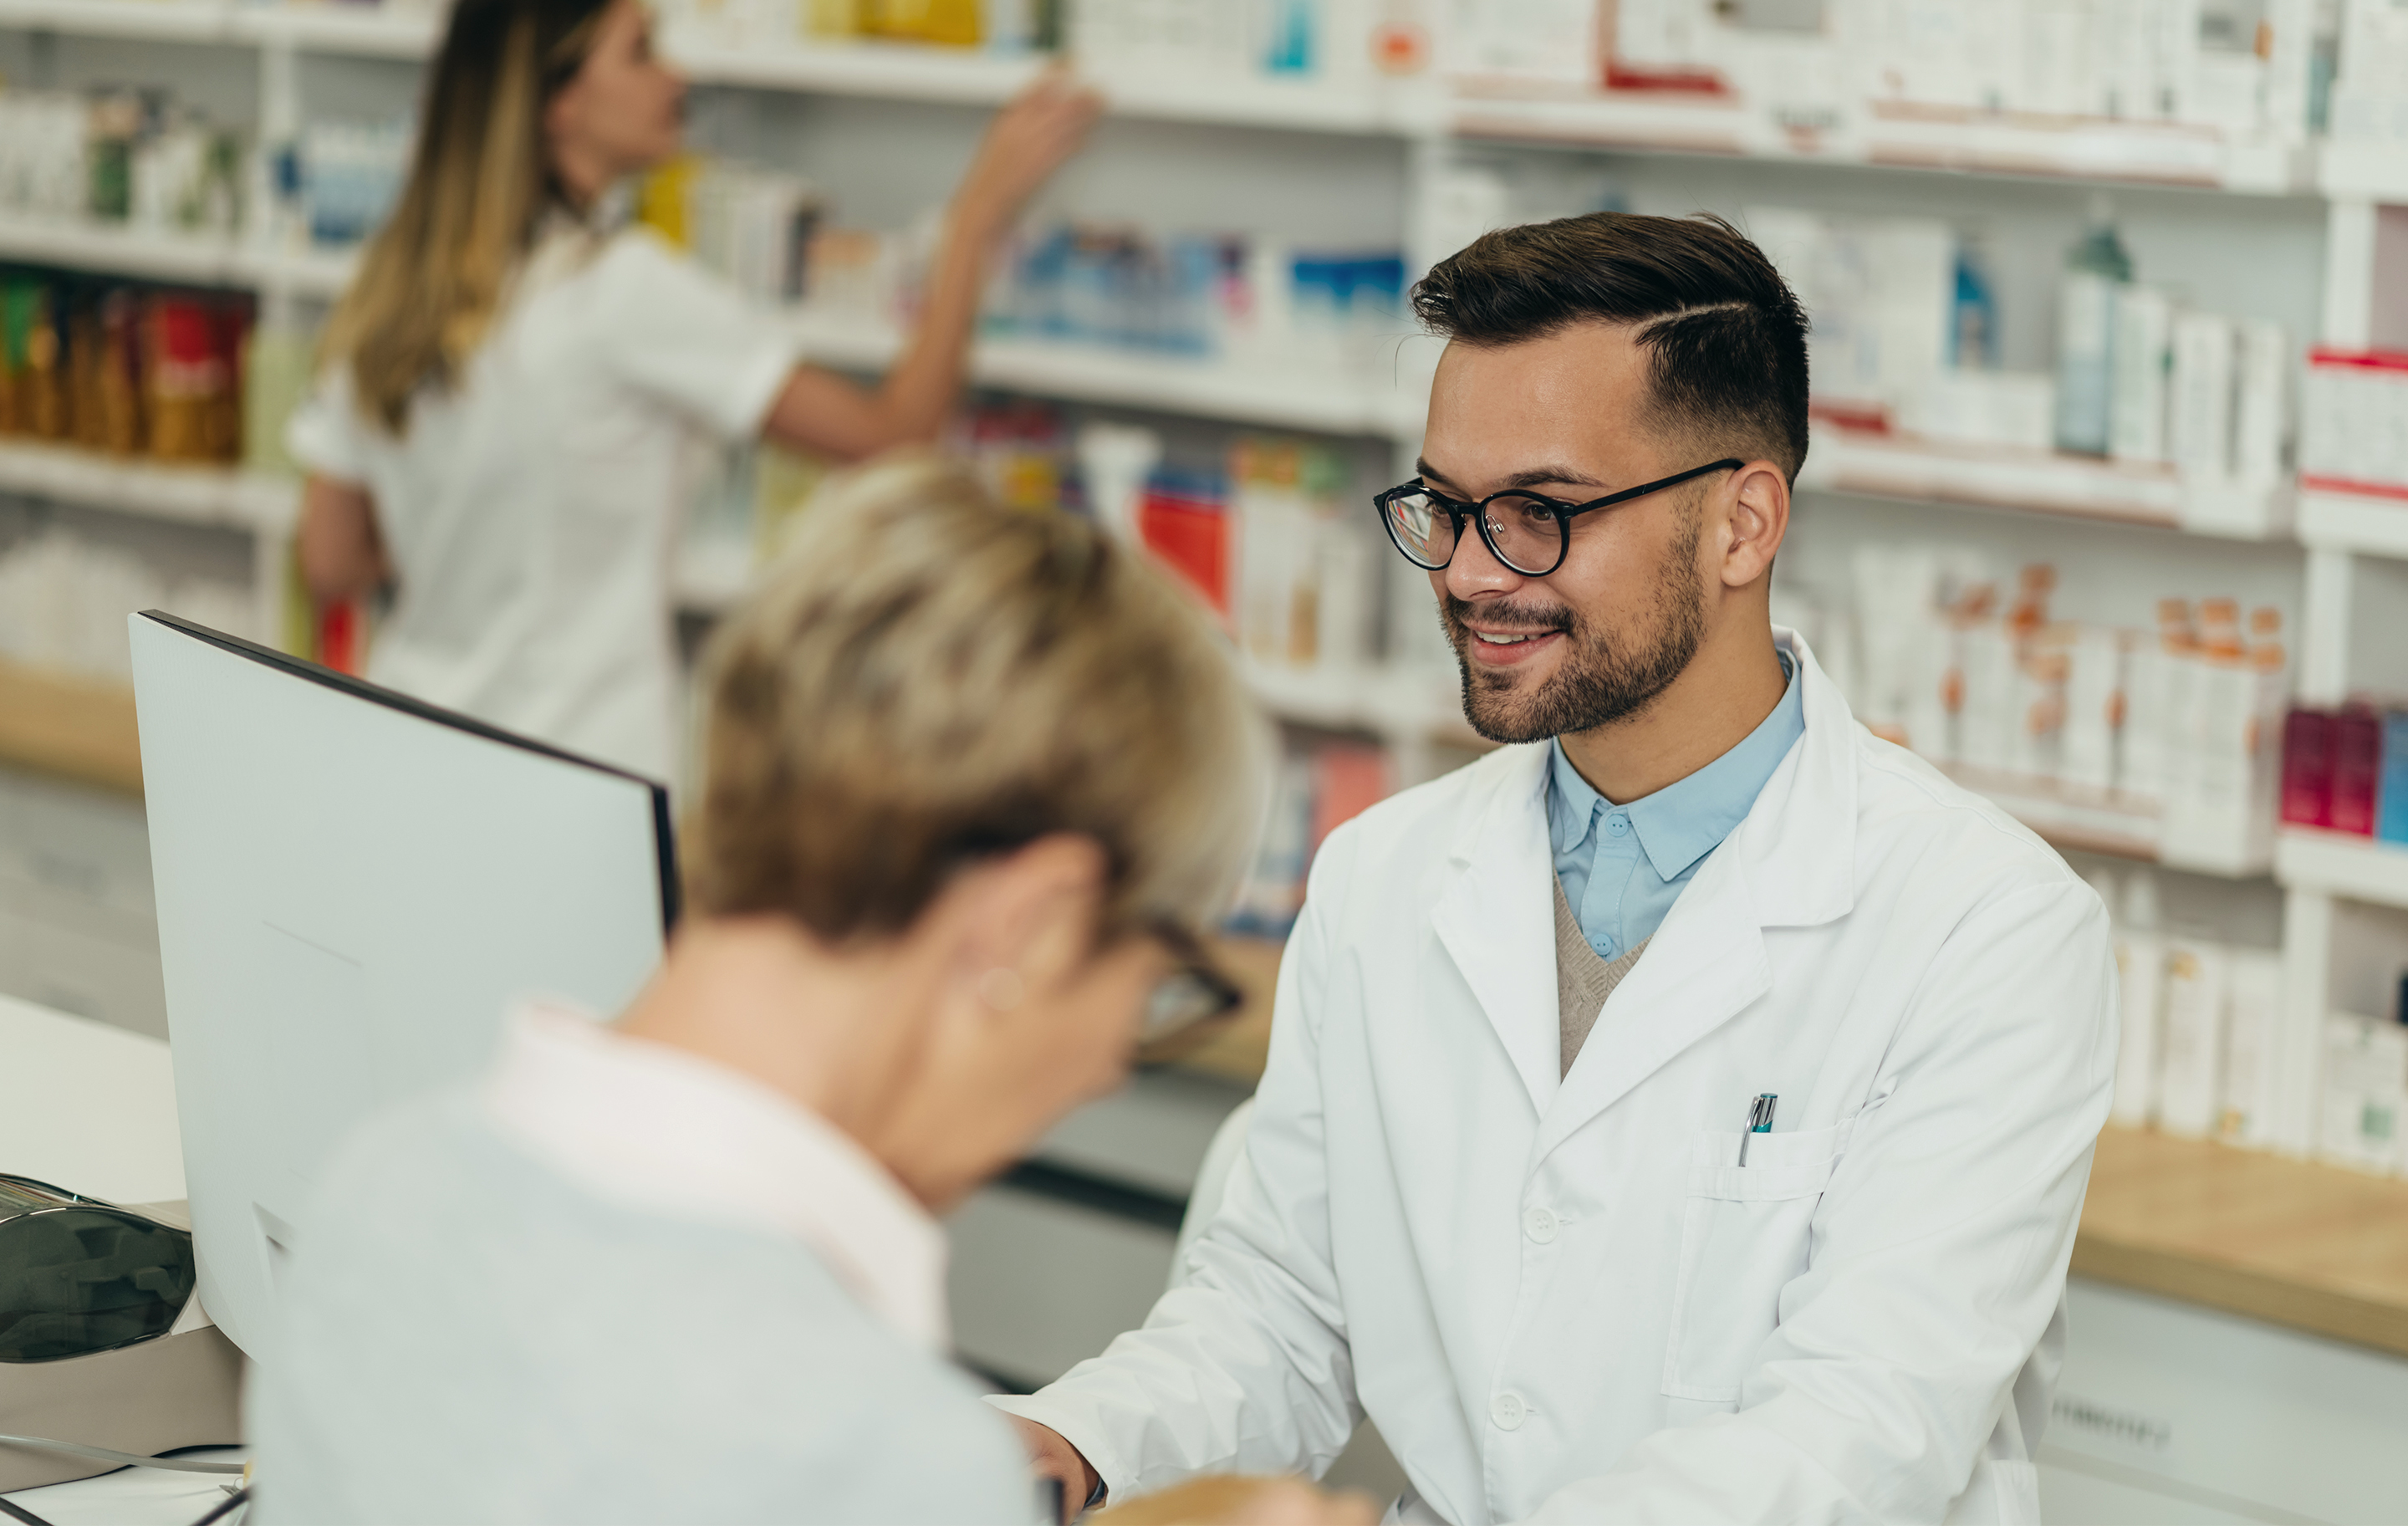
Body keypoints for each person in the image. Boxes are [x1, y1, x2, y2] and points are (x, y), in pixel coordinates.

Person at [997, 212, 2120, 1525]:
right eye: (1446, 506)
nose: (1472, 571)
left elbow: (1855, 1433)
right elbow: (1283, 1308)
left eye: (1541, 511)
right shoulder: (1384, 879)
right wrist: (1075, 1441)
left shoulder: (1988, 930)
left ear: (1743, 523)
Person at [247, 459, 1376, 1525]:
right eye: (1151, 983)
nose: (1107, 1065)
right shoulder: (862, 1450)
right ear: (1032, 928)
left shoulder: (375, 1194)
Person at [290, 0, 1099, 778]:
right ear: (557, 104)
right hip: (582, 768)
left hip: (415, 746)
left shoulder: (388, 287)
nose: (677, 76)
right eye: (641, 50)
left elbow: (331, 558)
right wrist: (976, 219)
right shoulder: (619, 290)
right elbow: (895, 437)